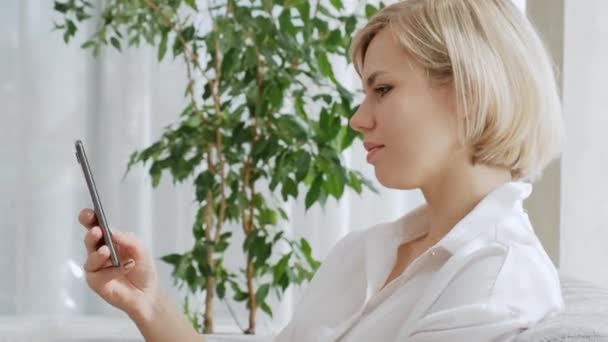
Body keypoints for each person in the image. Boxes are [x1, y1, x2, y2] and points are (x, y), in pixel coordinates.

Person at [78, 0, 566, 341]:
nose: (358, 118)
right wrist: (150, 303)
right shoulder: (365, 252)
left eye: (384, 89)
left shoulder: (495, 282)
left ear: (469, 93)